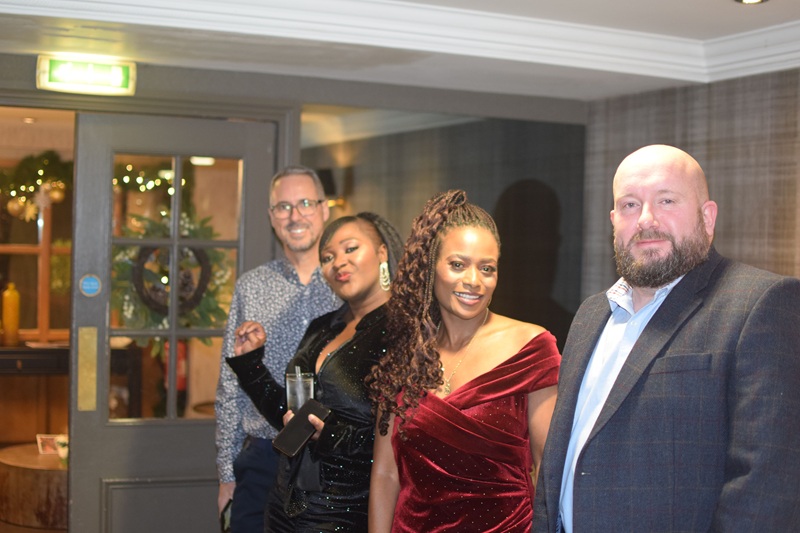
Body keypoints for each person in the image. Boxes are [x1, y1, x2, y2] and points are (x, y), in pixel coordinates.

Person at [534, 144, 800, 532]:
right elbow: (559, 464)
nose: (646, 219)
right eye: (629, 205)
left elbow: (766, 487)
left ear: (707, 217)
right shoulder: (591, 315)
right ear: (613, 220)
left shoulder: (760, 304)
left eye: (667, 200)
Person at [368, 190, 561, 532]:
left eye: (487, 268)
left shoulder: (530, 347)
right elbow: (386, 474)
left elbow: (548, 467)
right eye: (458, 265)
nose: (474, 281)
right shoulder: (406, 356)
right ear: (431, 267)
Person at [226, 212, 404, 532]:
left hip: (349, 515)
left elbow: (406, 439)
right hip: (284, 508)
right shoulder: (322, 327)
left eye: (350, 248)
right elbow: (293, 417)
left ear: (381, 253)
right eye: (327, 257)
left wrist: (333, 434)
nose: (338, 262)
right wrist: (251, 364)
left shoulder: (404, 332)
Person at [215, 166, 341, 532]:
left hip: (334, 462)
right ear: (272, 217)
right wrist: (226, 474)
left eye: (305, 203)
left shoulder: (348, 285)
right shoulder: (251, 287)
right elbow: (230, 385)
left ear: (324, 209)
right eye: (283, 207)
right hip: (264, 461)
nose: (295, 215)